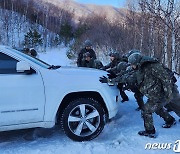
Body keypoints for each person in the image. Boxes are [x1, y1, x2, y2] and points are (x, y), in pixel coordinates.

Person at [100, 53, 178, 138]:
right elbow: (125, 77)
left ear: (137, 63)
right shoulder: (138, 70)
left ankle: (150, 131)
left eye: (133, 65)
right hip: (154, 95)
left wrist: (168, 94)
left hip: (161, 94)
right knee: (157, 109)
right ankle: (170, 120)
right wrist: (110, 80)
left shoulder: (153, 67)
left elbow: (165, 80)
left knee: (146, 110)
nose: (132, 67)